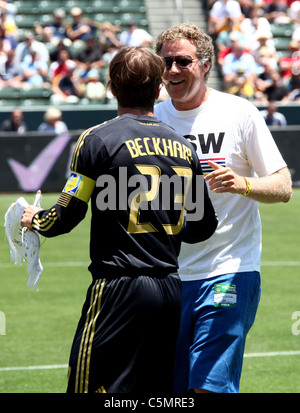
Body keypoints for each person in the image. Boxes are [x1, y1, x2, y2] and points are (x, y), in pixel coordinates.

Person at [20, 46, 218, 393]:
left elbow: (64, 218)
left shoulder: (96, 139)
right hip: (170, 289)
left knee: (88, 387)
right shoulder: (184, 148)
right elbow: (203, 227)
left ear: (111, 86)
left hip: (117, 287)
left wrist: (34, 220)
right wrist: (164, 220)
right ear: (158, 89)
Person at [154, 23, 292, 393]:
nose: (172, 70)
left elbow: (282, 186)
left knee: (208, 388)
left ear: (205, 65)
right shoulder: (152, 120)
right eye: (165, 61)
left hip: (230, 269)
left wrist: (243, 184)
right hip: (167, 278)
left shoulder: (238, 112)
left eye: (183, 61)